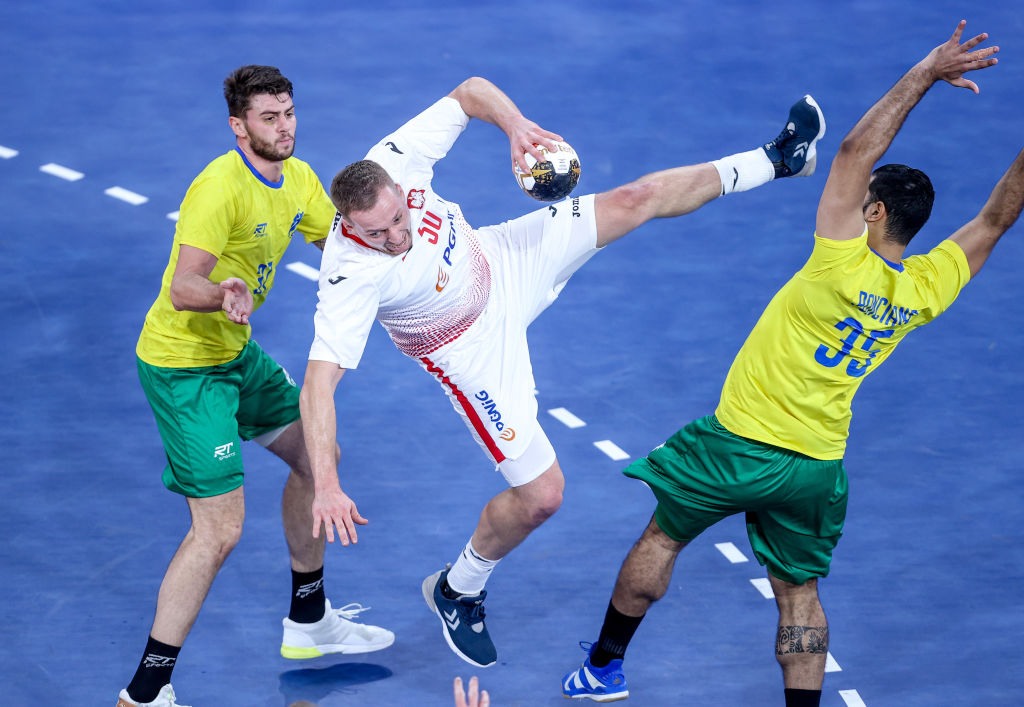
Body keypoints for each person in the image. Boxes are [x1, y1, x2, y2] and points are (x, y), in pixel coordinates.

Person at [299, 75, 825, 669]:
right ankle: (458, 588)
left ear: (398, 188)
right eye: (376, 233)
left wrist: (516, 127)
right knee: (543, 496)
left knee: (634, 199)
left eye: (398, 219)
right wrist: (327, 484)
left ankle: (777, 159)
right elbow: (318, 386)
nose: (396, 237)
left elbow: (469, 92)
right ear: (349, 226)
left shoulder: (395, 159)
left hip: (500, 257)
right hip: (469, 350)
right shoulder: (348, 274)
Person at [560, 21, 1013, 705]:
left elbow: (855, 148)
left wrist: (927, 69)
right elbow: (996, 219)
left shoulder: (839, 259)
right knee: (800, 594)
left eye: (863, 198)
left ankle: (603, 667)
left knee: (663, 537)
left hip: (738, 445)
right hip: (816, 467)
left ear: (875, 211)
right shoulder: (925, 290)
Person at [118, 65, 393, 707]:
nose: (285, 127)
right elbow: (182, 287)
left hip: (235, 355)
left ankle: (309, 621)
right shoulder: (220, 188)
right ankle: (145, 691)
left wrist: (404, 250)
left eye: (289, 113)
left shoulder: (297, 178)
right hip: (186, 369)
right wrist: (223, 293)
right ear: (238, 127)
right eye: (269, 118)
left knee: (319, 455)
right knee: (218, 530)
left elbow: (342, 241)